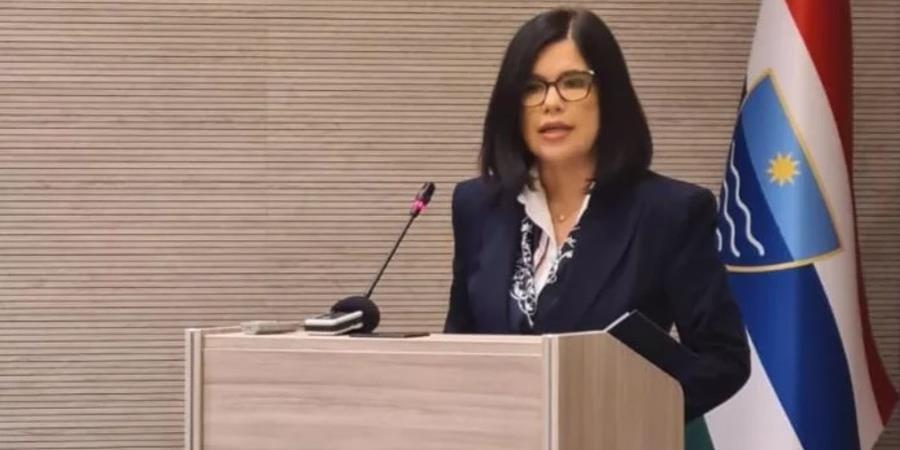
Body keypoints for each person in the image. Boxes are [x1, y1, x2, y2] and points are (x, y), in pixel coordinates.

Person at [443, 7, 750, 421]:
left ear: (610, 96)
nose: (551, 103)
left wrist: (620, 416)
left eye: (573, 83)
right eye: (532, 87)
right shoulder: (478, 206)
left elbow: (723, 360)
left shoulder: (670, 213)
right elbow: (459, 346)